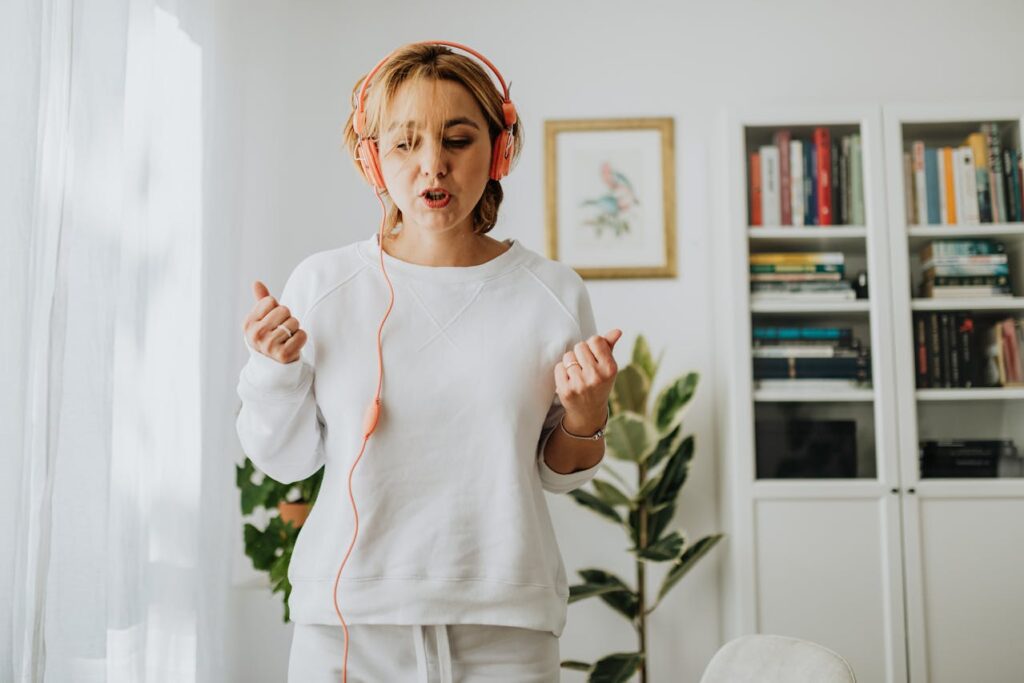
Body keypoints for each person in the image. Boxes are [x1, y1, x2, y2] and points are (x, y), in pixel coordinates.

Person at [236, 41, 622, 682]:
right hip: (349, 628)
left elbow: (562, 472)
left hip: (507, 624)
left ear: (498, 152)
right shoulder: (325, 283)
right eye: (405, 143)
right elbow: (285, 462)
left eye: (459, 141)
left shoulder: (552, 292)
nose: (432, 166)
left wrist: (586, 415)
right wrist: (272, 371)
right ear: (372, 159)